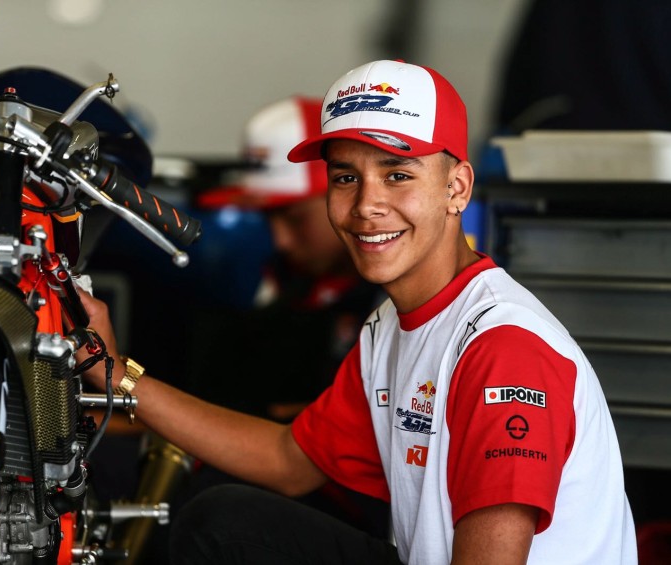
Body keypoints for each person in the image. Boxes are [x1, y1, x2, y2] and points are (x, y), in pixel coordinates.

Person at [78, 59, 638, 564]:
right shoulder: (390, 325)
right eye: (346, 176)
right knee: (222, 521)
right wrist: (115, 372)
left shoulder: (502, 349)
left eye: (397, 174)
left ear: (457, 188)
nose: (367, 205)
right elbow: (286, 459)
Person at [192, 95, 383, 423]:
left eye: (294, 218)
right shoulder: (268, 289)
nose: (280, 240)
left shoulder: (399, 298)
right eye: (268, 218)